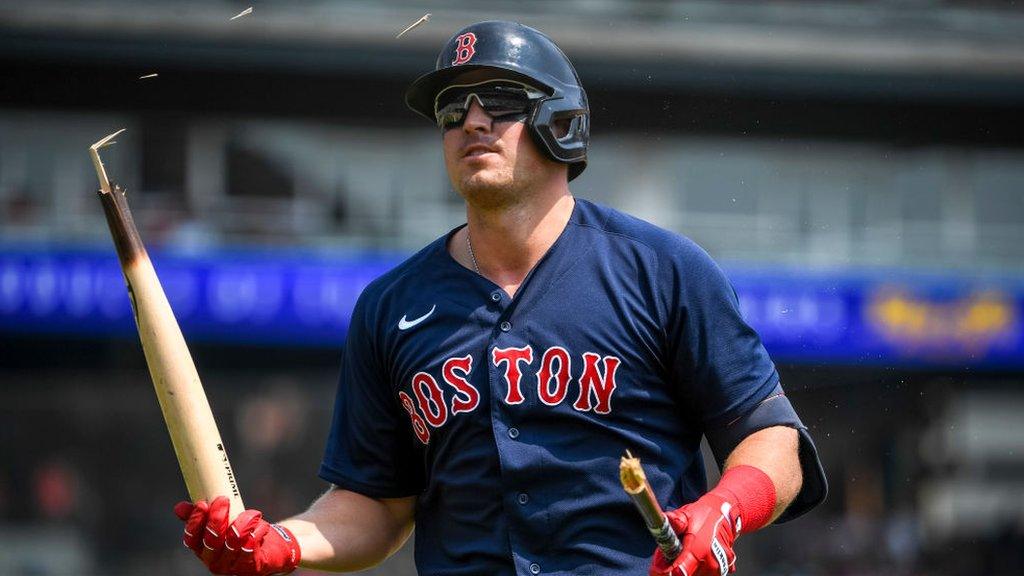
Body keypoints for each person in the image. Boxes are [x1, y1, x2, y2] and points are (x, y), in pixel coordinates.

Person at [174, 20, 827, 576]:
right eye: (451, 109)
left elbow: (773, 438)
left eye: (500, 100)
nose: (472, 121)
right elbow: (376, 504)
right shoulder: (389, 306)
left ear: (562, 122)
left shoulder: (664, 271)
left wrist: (727, 508)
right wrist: (283, 542)